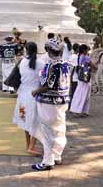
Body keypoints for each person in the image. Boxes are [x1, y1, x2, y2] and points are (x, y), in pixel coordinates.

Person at [31, 38, 71, 171]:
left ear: (48, 50)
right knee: (60, 130)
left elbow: (47, 85)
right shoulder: (66, 64)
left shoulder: (51, 66)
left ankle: (48, 161)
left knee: (48, 132)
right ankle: (57, 155)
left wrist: (35, 91)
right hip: (62, 102)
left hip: (49, 104)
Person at [13, 42, 44, 156]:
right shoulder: (41, 63)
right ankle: (31, 146)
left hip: (22, 96)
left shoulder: (22, 62)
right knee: (36, 121)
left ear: (26, 50)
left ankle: (28, 145)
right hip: (34, 95)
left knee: (24, 119)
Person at [70, 44, 97, 117]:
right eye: (87, 49)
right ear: (84, 50)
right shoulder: (86, 57)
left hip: (81, 76)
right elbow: (93, 66)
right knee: (84, 94)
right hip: (85, 76)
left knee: (80, 93)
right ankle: (78, 110)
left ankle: (80, 110)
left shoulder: (79, 57)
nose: (88, 50)